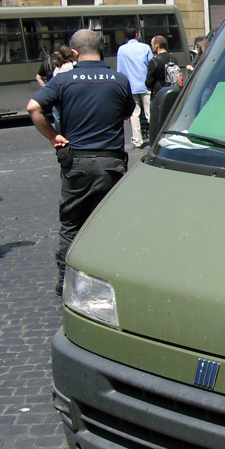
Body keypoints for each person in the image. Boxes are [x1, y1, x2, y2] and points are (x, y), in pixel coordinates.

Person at [27, 29, 135, 295]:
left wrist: (54, 136)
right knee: (107, 222)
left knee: (72, 224)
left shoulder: (63, 80)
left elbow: (33, 107)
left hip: (77, 162)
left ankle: (66, 281)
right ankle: (109, 279)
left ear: (74, 53)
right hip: (111, 162)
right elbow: (127, 112)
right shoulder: (119, 80)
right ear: (102, 48)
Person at [116, 26, 153, 149]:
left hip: (130, 85)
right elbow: (152, 65)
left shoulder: (121, 50)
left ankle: (137, 140)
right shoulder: (145, 47)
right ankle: (155, 138)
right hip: (145, 84)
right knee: (150, 113)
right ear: (137, 34)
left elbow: (120, 70)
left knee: (134, 114)